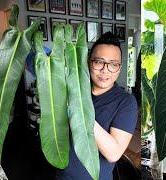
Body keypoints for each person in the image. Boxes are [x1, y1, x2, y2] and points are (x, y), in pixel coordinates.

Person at [57, 32, 138, 180]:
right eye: (99, 62)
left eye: (113, 64)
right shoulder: (76, 89)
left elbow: (113, 153)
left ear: (119, 68)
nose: (105, 70)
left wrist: (78, 108)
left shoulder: (126, 102)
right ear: (89, 62)